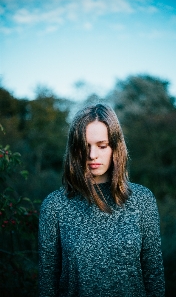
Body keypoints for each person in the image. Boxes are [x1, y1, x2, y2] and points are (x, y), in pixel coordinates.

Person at [38, 103, 165, 297]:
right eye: (84, 147)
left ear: (116, 147)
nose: (92, 155)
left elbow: (154, 276)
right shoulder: (55, 206)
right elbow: (47, 283)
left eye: (102, 146)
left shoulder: (142, 200)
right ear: (74, 150)